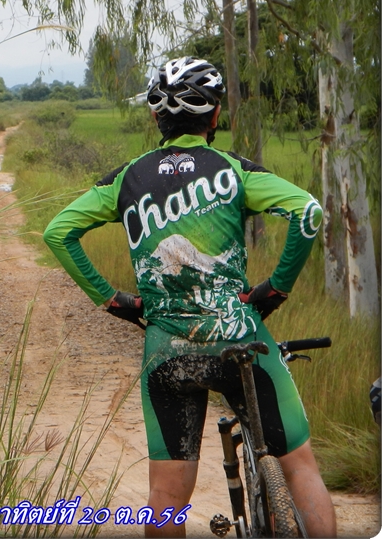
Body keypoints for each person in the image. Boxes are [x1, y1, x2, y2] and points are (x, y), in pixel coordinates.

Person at [43, 57, 335, 538]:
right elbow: (307, 212)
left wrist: (111, 299)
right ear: (215, 115)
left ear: (155, 116)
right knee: (300, 467)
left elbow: (58, 232)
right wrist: (275, 288)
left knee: (166, 495)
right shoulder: (234, 170)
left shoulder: (126, 179)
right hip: (239, 337)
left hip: (167, 352)